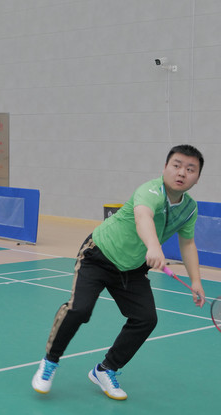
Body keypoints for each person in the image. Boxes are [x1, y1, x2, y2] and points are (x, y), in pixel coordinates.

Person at [31, 144, 206, 400]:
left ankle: (105, 369)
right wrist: (154, 246)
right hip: (99, 256)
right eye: (176, 165)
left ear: (197, 178)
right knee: (80, 309)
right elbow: (143, 217)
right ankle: (50, 361)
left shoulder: (189, 208)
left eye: (190, 169)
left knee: (146, 319)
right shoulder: (150, 191)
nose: (182, 173)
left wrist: (196, 280)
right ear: (165, 168)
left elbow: (188, 243)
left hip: (132, 269)